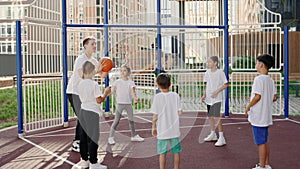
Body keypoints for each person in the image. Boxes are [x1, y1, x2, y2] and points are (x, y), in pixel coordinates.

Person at [66, 36, 107, 152]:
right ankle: (76, 142)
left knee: (83, 117)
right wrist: (98, 69)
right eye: (92, 44)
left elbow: (102, 76)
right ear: (85, 46)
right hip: (74, 92)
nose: (95, 46)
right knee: (82, 117)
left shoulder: (93, 60)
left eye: (95, 44)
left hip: (83, 92)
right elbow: (82, 75)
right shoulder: (81, 59)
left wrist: (106, 68)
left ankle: (82, 141)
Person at [76, 61, 110, 169]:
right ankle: (94, 163)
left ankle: (84, 160)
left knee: (83, 137)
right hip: (92, 112)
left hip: (82, 111)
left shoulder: (80, 83)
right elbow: (99, 100)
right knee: (93, 138)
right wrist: (106, 93)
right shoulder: (94, 84)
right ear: (91, 71)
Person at [245, 54, 277, 169]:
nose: (256, 65)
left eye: (257, 63)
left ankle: (262, 166)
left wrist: (248, 106)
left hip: (258, 116)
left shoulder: (258, 79)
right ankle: (266, 164)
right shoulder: (270, 80)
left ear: (261, 64)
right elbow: (274, 97)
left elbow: (258, 96)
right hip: (266, 115)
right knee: (265, 140)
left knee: (260, 142)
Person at [151, 73, 182, 169]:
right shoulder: (175, 95)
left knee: (162, 153)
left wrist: (153, 127)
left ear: (158, 85)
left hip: (162, 130)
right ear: (170, 84)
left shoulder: (157, 97)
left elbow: (155, 116)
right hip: (174, 130)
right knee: (176, 151)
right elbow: (180, 112)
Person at [107, 65, 144, 145]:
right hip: (120, 104)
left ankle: (133, 136)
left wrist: (135, 98)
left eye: (125, 71)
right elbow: (112, 91)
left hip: (128, 104)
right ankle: (110, 137)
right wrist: (106, 94)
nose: (123, 72)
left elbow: (132, 91)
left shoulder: (131, 82)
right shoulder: (117, 82)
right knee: (116, 121)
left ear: (128, 73)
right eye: (121, 71)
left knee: (131, 121)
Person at [201, 56, 229, 146]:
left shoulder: (220, 72)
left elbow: (226, 84)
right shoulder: (207, 72)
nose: (208, 63)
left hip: (216, 98)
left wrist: (217, 91)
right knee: (210, 117)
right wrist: (204, 95)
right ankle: (213, 134)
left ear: (215, 63)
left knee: (217, 117)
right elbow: (207, 84)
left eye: (210, 62)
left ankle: (221, 137)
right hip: (209, 98)